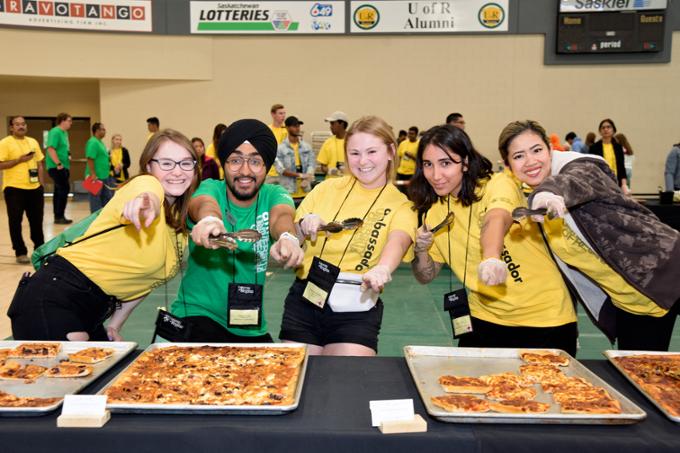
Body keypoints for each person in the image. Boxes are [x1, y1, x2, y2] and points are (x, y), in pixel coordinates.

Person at [499, 119, 680, 351]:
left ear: (550, 149)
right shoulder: (530, 204)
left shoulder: (583, 166)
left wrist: (546, 195)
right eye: (519, 156)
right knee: (641, 378)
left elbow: (571, 183)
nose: (531, 161)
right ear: (508, 165)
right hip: (634, 303)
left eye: (537, 150)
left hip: (669, 266)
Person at [9, 129, 200, 341]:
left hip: (93, 311)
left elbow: (144, 282)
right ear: (148, 166)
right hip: (54, 295)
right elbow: (147, 191)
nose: (177, 171)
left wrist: (115, 325)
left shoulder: (177, 227)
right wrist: (147, 202)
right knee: (75, 371)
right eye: (166, 163)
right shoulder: (145, 185)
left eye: (185, 163)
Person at [409, 125, 577, 355]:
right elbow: (425, 276)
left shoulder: (496, 184)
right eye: (428, 164)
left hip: (545, 317)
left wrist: (490, 258)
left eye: (446, 163)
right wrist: (421, 251)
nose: (436, 175)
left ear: (466, 162)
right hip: (483, 318)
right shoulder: (435, 213)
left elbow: (497, 217)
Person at [279, 115, 416, 356]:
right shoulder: (325, 189)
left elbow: (399, 239)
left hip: (357, 305)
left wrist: (383, 268)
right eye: (354, 153)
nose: (363, 161)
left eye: (372, 151)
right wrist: (300, 229)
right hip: (306, 297)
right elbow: (294, 237)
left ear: (391, 151)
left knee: (346, 380)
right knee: (295, 379)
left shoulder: (401, 205)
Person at [170, 119, 304, 343]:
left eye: (255, 161)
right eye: (235, 160)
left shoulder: (274, 194)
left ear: (266, 166)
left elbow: (281, 216)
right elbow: (203, 204)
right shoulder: (210, 188)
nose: (244, 170)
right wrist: (210, 220)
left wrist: (287, 237)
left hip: (250, 324)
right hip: (197, 315)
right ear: (224, 163)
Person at [0, 116, 45, 264]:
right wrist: (19, 160)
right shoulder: (5, 143)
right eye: (17, 124)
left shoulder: (33, 141)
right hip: (14, 189)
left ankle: (40, 250)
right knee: (15, 221)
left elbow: (39, 164)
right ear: (11, 127)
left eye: (23, 124)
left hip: (34, 189)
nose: (21, 126)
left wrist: (41, 185)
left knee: (37, 222)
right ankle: (20, 252)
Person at [274, 116, 316, 199]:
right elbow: (281, 169)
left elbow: (312, 164)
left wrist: (307, 177)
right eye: (294, 126)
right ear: (287, 128)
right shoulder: (280, 149)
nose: (297, 128)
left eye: (298, 126)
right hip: (288, 192)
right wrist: (300, 175)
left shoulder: (307, 147)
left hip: (305, 191)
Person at [587, 118, 629, 194]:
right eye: (603, 128)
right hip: (600, 184)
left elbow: (622, 167)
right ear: (600, 131)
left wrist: (624, 184)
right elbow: (591, 168)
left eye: (608, 127)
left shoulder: (618, 147)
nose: (606, 129)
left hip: (616, 183)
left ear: (613, 130)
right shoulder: (594, 148)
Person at [45, 112, 73, 224]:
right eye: (69, 120)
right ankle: (59, 215)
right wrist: (58, 164)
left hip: (64, 165)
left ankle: (58, 215)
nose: (71, 123)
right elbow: (51, 148)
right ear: (62, 121)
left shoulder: (64, 133)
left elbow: (64, 148)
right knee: (64, 189)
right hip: (56, 166)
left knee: (59, 190)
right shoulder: (55, 132)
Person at [85, 122, 115, 213]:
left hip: (104, 176)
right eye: (103, 129)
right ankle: (95, 222)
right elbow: (90, 158)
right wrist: (93, 174)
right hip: (95, 177)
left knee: (106, 199)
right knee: (95, 201)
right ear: (97, 131)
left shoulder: (100, 142)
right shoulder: (93, 142)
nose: (105, 131)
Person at [317, 111, 349, 179]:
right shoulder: (328, 143)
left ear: (342, 124)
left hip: (348, 184)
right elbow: (323, 167)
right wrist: (330, 171)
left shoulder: (353, 142)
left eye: (332, 124)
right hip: (331, 185)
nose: (330, 127)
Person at [266, 103, 287, 184]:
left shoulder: (287, 130)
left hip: (284, 172)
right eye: (280, 113)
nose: (283, 116)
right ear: (273, 114)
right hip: (270, 171)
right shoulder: (267, 130)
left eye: (284, 113)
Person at [396, 126, 419, 191]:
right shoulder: (403, 143)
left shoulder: (419, 144)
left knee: (410, 191)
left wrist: (412, 156)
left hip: (412, 173)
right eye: (409, 133)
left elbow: (421, 160)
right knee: (400, 191)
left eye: (412, 134)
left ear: (416, 135)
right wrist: (396, 169)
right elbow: (398, 157)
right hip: (401, 173)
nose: (410, 135)